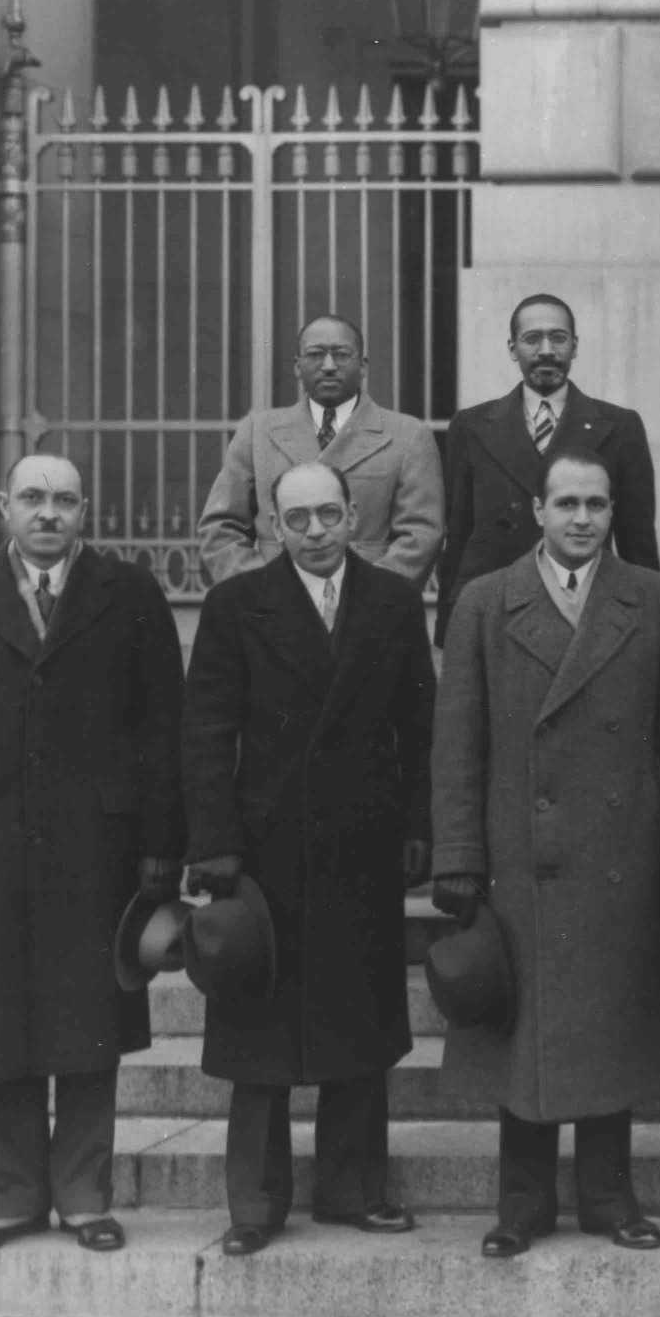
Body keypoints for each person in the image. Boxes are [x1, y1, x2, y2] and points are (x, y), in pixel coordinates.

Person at [0, 453, 183, 1255]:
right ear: (3, 507)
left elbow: (165, 730)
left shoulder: (128, 597)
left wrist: (162, 844)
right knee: (4, 1025)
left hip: (102, 853)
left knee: (90, 1024)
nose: (47, 513)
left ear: (85, 510)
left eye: (62, 500)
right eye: (32, 499)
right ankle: (12, 1199)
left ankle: (86, 1197)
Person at [431, 448, 660, 1259]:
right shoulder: (482, 602)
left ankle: (612, 1198)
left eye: (598, 504)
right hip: (521, 855)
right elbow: (457, 742)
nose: (583, 518)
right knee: (526, 1036)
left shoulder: (651, 601)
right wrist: (459, 857)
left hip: (621, 853)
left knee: (609, 1028)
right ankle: (523, 1203)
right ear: (538, 512)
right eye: (568, 503)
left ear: (616, 514)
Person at [180, 461, 436, 1257]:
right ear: (272, 527)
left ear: (354, 514)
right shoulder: (235, 606)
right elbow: (206, 733)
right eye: (298, 519)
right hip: (263, 853)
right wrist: (215, 844)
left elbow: (419, 726)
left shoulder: (393, 603)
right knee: (258, 1032)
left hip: (361, 845)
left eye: (329, 514)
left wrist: (418, 827)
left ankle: (353, 1190)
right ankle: (254, 1204)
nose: (317, 531)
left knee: (357, 1022)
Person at [436, 293, 660, 642]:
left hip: (586, 608)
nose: (545, 350)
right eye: (531, 339)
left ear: (574, 346)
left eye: (557, 338)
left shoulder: (619, 426)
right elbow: (458, 531)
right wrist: (449, 628)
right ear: (512, 348)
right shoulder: (472, 426)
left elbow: (638, 542)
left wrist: (647, 625)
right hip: (496, 609)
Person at [197, 314, 443, 587]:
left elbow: (421, 533)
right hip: (274, 606)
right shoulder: (257, 432)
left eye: (341, 355)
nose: (328, 366)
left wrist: (368, 595)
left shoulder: (407, 435)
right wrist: (262, 589)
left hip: (367, 608)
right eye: (315, 355)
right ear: (297, 367)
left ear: (362, 366)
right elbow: (220, 528)